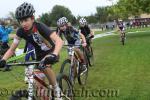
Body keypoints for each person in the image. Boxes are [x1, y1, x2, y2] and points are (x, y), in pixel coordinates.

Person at [0, 2, 63, 100]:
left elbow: (59, 41)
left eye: (26, 20)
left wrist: (54, 54)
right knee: (39, 87)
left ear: (32, 19)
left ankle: (56, 89)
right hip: (39, 56)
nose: (23, 24)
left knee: (44, 65)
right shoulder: (20, 31)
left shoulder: (40, 26)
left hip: (52, 52)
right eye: (21, 21)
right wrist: (3, 60)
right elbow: (12, 49)